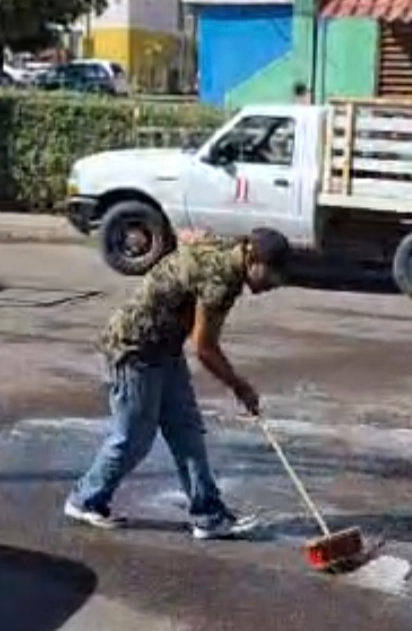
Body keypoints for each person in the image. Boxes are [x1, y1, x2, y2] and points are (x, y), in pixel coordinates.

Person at [65, 227, 291, 538]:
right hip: (135, 348)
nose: (272, 284)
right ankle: (85, 499)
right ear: (252, 256)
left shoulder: (229, 250)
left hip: (165, 348)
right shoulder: (222, 279)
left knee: (187, 432)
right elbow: (204, 347)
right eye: (271, 274)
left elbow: (191, 244)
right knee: (133, 438)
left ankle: (208, 516)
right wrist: (240, 386)